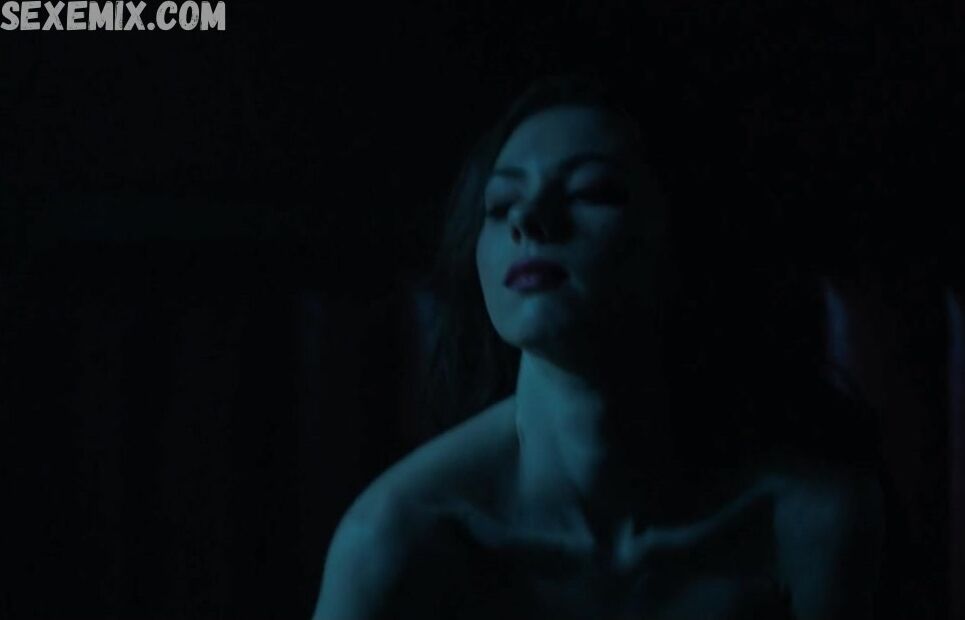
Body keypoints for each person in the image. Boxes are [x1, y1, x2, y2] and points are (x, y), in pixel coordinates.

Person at [312, 73, 884, 619]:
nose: (528, 218)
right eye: (501, 203)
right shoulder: (401, 535)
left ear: (685, 239)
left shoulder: (806, 523)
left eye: (592, 191)